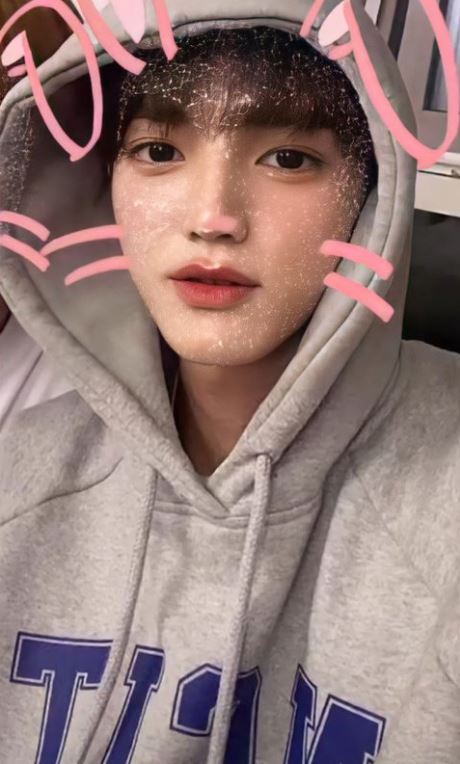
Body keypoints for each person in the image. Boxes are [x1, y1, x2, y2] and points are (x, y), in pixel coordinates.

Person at [0, 4, 459, 764]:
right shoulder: (21, 478)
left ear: (374, 193)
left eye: (288, 159)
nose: (213, 218)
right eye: (158, 150)